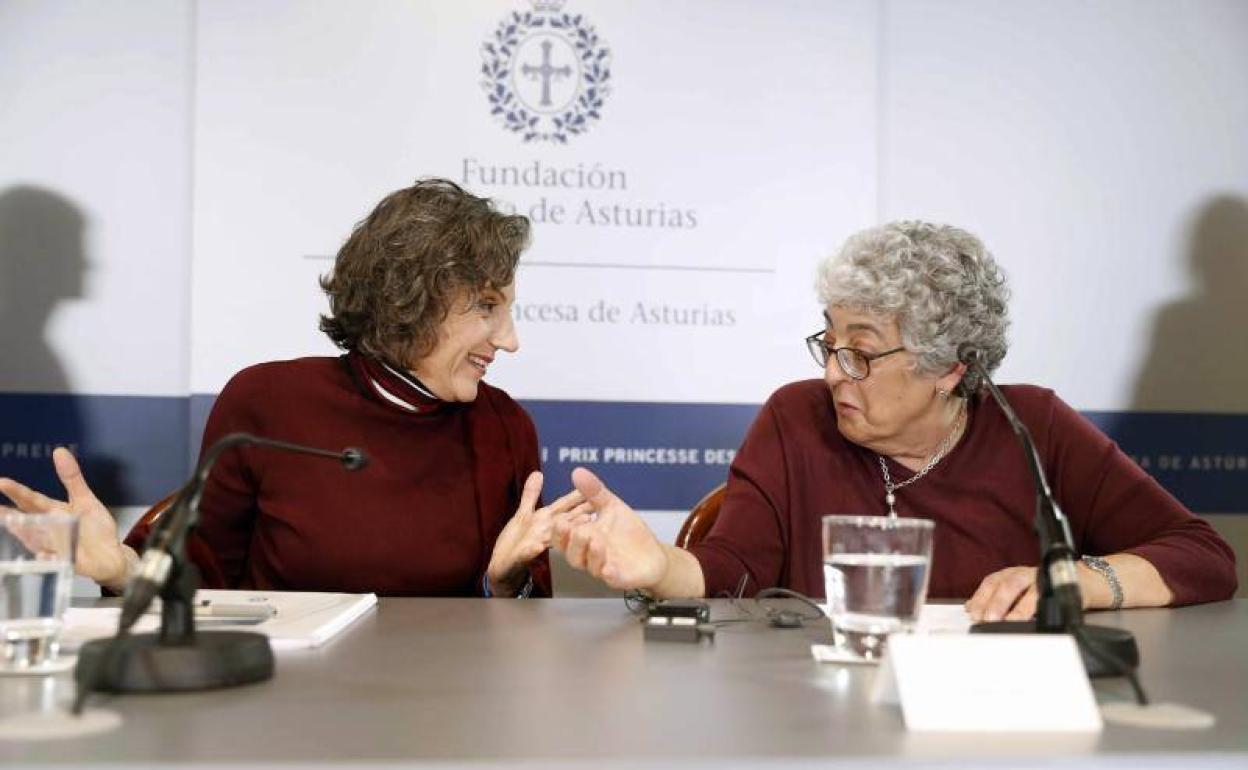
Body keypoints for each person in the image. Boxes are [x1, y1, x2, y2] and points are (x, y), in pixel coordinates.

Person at [553, 221, 1238, 620]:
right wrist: (657, 567)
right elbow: (733, 571)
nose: (831, 373)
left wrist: (1077, 582)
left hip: (989, 729)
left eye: (861, 352)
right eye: (830, 342)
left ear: (949, 368)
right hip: (818, 724)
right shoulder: (797, 417)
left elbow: (1203, 556)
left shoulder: (1034, 428)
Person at [0, 179, 586, 597]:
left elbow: (512, 637)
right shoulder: (268, 403)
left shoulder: (505, 427)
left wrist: (502, 584)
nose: (508, 341)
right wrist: (123, 569)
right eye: (487, 307)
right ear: (413, 298)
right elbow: (200, 579)